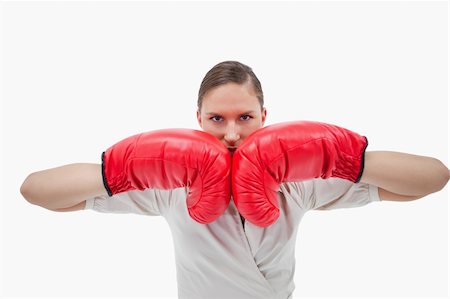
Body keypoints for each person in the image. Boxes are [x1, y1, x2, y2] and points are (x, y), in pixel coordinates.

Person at [20, 61, 449, 299]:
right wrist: (119, 171)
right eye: (216, 119)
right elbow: (36, 191)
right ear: (197, 120)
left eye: (245, 118)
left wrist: (344, 158)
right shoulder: (171, 187)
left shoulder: (296, 182)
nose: (230, 133)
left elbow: (432, 179)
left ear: (265, 118)